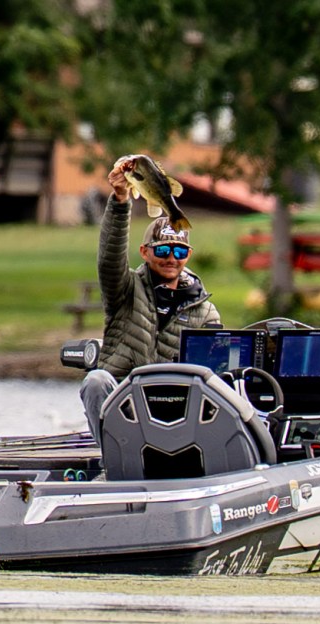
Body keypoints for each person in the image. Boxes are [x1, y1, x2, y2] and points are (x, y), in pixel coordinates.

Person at [80, 158, 221, 445]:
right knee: (96, 381)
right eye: (163, 250)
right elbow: (109, 258)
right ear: (145, 252)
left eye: (179, 252)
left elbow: (216, 371)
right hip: (125, 400)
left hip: (178, 406)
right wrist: (120, 200)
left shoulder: (206, 311)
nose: (171, 258)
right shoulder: (126, 289)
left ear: (188, 256)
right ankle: (113, 456)